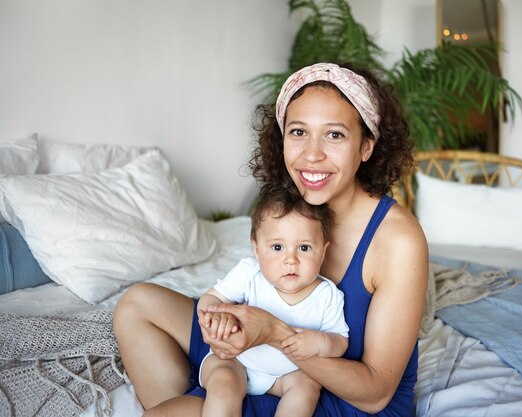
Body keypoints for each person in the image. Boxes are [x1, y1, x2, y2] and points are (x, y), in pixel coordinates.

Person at [114, 62, 428, 417]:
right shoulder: (291, 205)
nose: (312, 154)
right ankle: (206, 401)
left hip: (334, 398)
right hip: (259, 364)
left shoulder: (398, 239)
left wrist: (274, 334)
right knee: (137, 304)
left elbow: (375, 394)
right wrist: (220, 323)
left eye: (334, 135)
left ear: (367, 146)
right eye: (298, 132)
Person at [197, 184, 349, 417]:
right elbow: (210, 298)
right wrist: (218, 317)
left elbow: (340, 340)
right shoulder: (250, 272)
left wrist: (321, 343)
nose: (291, 260)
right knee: (223, 383)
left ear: (323, 251)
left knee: (307, 387)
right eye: (277, 247)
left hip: (286, 375)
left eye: (305, 248)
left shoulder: (328, 295)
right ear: (256, 250)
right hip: (238, 361)